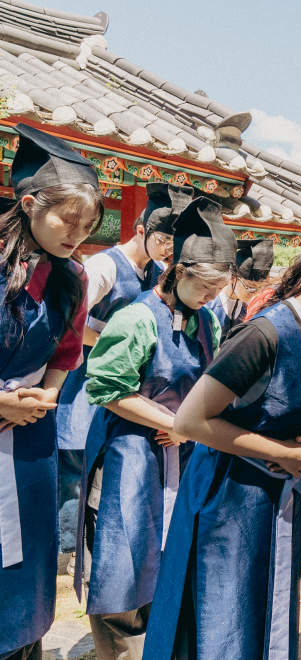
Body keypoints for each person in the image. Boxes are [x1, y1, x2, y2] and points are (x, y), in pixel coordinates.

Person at [143, 206, 301, 660]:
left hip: (275, 498)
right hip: (226, 498)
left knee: (268, 613)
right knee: (223, 624)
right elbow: (190, 421)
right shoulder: (262, 335)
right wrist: (277, 450)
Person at [78, 197, 234, 660]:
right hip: (131, 454)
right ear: (180, 270)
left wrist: (191, 427)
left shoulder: (206, 320)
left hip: (182, 452)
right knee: (123, 565)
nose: (212, 298)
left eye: (218, 289)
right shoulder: (135, 318)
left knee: (170, 560)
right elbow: (107, 389)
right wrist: (178, 422)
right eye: (206, 286)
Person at [0, 123, 104, 660]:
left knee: (28, 570)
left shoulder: (73, 278)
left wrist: (49, 395)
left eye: (88, 226)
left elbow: (66, 352)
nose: (77, 235)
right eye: (69, 219)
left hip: (30, 439)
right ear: (29, 201)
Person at [54, 183, 180, 559]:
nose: (168, 249)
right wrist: (116, 336)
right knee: (75, 470)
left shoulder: (156, 272)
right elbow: (68, 322)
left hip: (130, 383)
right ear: (140, 230)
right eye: (162, 240)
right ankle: (67, 550)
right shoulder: (104, 265)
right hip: (89, 378)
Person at [205, 238, 273, 341]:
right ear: (232, 277)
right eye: (250, 287)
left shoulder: (246, 308)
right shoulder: (209, 303)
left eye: (259, 288)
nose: (254, 293)